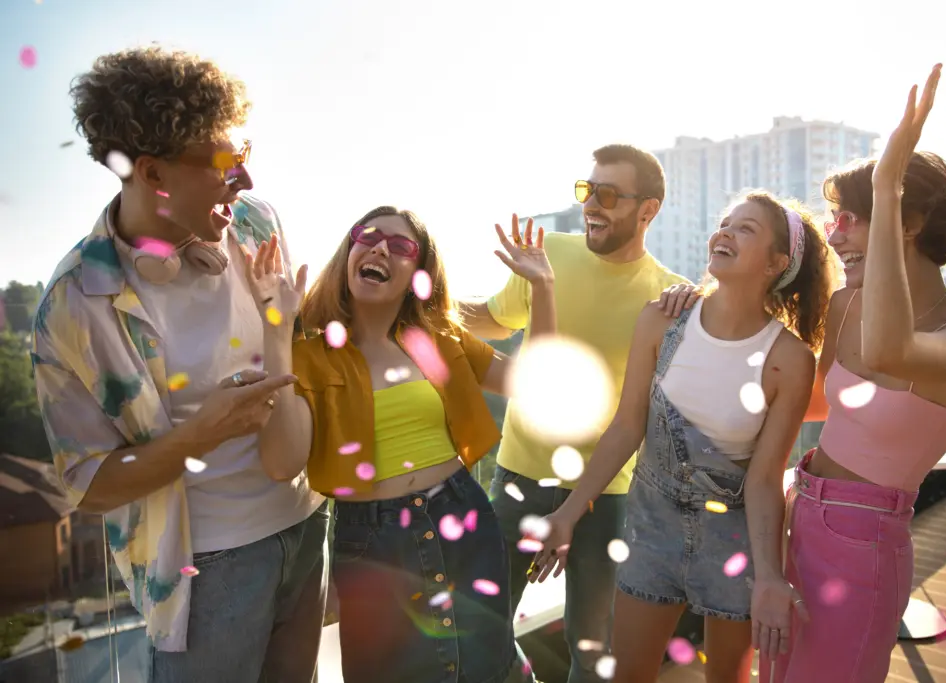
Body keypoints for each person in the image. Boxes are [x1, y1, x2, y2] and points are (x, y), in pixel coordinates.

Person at [31, 47, 328, 682]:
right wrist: (201, 435)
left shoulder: (255, 221)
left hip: (307, 528)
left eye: (244, 153)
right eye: (226, 164)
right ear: (152, 173)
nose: (245, 180)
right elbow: (86, 484)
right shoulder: (74, 304)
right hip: (207, 572)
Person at [531, 190, 835, 683]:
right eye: (725, 222)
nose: (725, 233)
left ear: (777, 262)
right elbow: (626, 427)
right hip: (652, 526)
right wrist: (568, 512)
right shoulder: (662, 319)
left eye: (746, 229)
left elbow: (763, 479)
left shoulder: (791, 359)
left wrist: (770, 579)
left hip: (735, 538)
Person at [761, 66, 946, 683]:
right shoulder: (845, 305)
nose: (833, 233)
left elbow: (894, 352)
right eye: (832, 217)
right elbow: (808, 405)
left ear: (908, 222)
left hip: (863, 544)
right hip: (798, 513)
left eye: (851, 217)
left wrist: (889, 180)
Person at [245, 208, 555, 683]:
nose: (380, 248)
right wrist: (274, 330)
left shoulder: (438, 338)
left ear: (419, 274)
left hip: (462, 517)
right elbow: (281, 461)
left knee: (488, 667)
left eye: (402, 246)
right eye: (367, 236)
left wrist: (542, 289)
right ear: (348, 252)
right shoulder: (309, 354)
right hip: (373, 540)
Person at [459, 144, 688, 682]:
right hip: (519, 478)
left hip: (606, 494)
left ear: (647, 210)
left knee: (592, 648)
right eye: (587, 190)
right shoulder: (549, 254)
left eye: (608, 195)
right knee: (481, 627)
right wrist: (415, 298)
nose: (592, 205)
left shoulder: (667, 298)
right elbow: (490, 321)